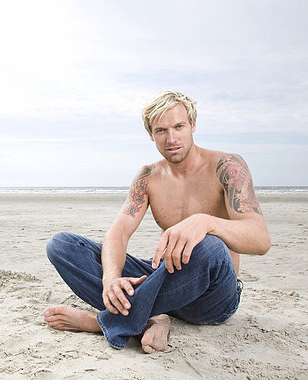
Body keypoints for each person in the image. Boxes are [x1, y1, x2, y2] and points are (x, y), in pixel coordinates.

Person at [43, 90, 270, 353]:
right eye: (161, 130)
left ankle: (104, 321)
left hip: (212, 296)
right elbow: (118, 233)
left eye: (179, 127)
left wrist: (206, 223)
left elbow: (261, 239)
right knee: (62, 246)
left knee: (211, 246)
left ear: (193, 125)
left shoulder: (227, 166)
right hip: (166, 283)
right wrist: (111, 279)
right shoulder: (148, 176)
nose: (171, 139)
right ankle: (153, 317)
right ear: (151, 133)